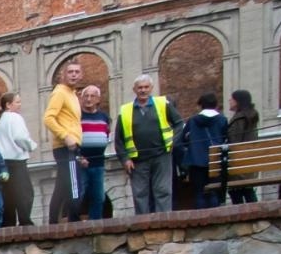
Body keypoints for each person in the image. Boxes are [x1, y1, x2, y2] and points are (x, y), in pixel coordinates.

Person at [113, 74, 178, 214]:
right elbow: (118, 139)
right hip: (137, 160)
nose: (143, 90)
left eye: (146, 87)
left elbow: (179, 123)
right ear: (134, 89)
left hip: (162, 156)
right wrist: (125, 159)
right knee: (140, 194)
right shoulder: (125, 110)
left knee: (163, 190)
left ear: (151, 88)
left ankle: (165, 222)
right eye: (140, 87)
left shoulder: (163, 104)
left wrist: (174, 141)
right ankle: (142, 225)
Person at [42, 59, 83, 223]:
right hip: (66, 146)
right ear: (63, 75)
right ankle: (75, 221)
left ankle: (53, 222)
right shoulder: (60, 92)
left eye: (77, 72)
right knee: (74, 186)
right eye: (70, 72)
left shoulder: (72, 94)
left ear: (81, 75)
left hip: (73, 146)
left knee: (61, 186)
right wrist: (66, 137)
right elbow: (48, 118)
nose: (73, 75)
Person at [0, 91, 37, 226]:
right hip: (16, 161)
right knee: (25, 193)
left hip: (1, 162)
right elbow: (20, 137)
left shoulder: (0, 121)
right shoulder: (15, 118)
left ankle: (8, 224)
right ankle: (25, 221)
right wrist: (31, 146)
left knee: (8, 196)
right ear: (8, 105)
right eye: (17, 102)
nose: (20, 105)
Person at [176, 93, 228, 209]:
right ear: (216, 105)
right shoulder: (222, 120)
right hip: (216, 161)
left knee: (199, 193)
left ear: (200, 106)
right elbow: (226, 139)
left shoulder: (192, 121)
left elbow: (183, 140)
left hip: (196, 162)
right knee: (214, 192)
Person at [76, 85, 110, 221]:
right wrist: (78, 157)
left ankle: (95, 225)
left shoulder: (104, 117)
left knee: (99, 197)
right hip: (81, 162)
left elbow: (107, 135)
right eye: (86, 96)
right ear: (81, 98)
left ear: (98, 99)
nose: (89, 99)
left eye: (92, 96)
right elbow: (72, 139)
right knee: (78, 195)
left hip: (98, 162)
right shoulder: (77, 117)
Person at [226, 89, 260, 204]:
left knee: (235, 191)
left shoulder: (239, 119)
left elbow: (234, 142)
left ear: (238, 101)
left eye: (232, 98)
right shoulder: (251, 116)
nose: (229, 100)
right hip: (250, 165)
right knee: (248, 191)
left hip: (239, 166)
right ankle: (257, 215)